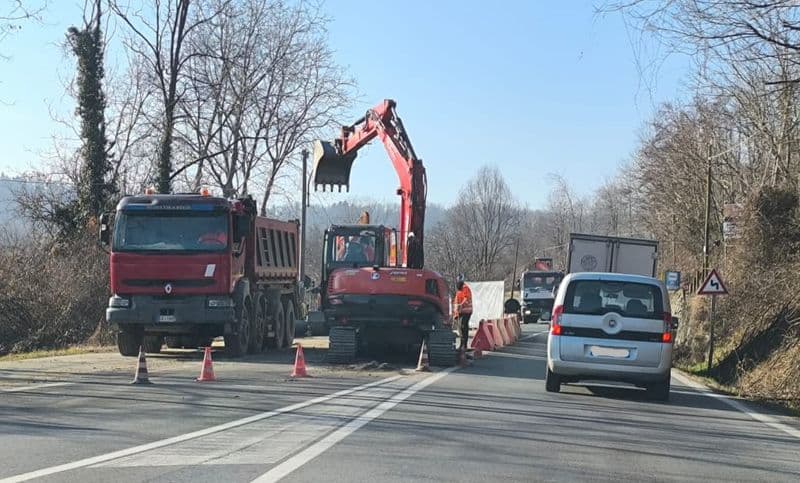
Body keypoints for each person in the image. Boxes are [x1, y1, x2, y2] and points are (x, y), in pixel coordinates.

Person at [453, 274, 473, 351]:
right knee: (461, 328)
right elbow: (457, 302)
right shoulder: (459, 290)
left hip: (466, 312)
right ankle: (462, 345)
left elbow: (466, 299)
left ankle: (464, 346)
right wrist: (455, 313)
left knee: (463, 327)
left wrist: (460, 306)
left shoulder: (465, 288)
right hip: (460, 312)